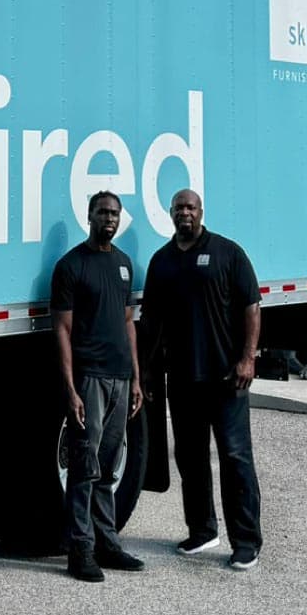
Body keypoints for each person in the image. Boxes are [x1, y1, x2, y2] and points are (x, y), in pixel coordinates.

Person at [139, 188, 263, 571]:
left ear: (201, 211)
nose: (184, 213)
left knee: (234, 457)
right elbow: (153, 322)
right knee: (190, 458)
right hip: (182, 379)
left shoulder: (228, 253)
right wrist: (143, 371)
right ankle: (203, 531)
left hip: (226, 378)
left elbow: (251, 306)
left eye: (190, 207)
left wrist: (247, 358)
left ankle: (246, 542)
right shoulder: (161, 262)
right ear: (171, 214)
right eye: (178, 208)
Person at [50, 190, 145, 583]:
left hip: (121, 378)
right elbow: (62, 329)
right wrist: (70, 389)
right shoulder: (71, 266)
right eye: (102, 212)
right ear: (88, 216)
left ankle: (108, 543)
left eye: (115, 213)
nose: (109, 218)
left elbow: (127, 323)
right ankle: (80, 550)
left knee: (107, 468)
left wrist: (137, 377)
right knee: (84, 468)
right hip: (89, 378)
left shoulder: (123, 265)